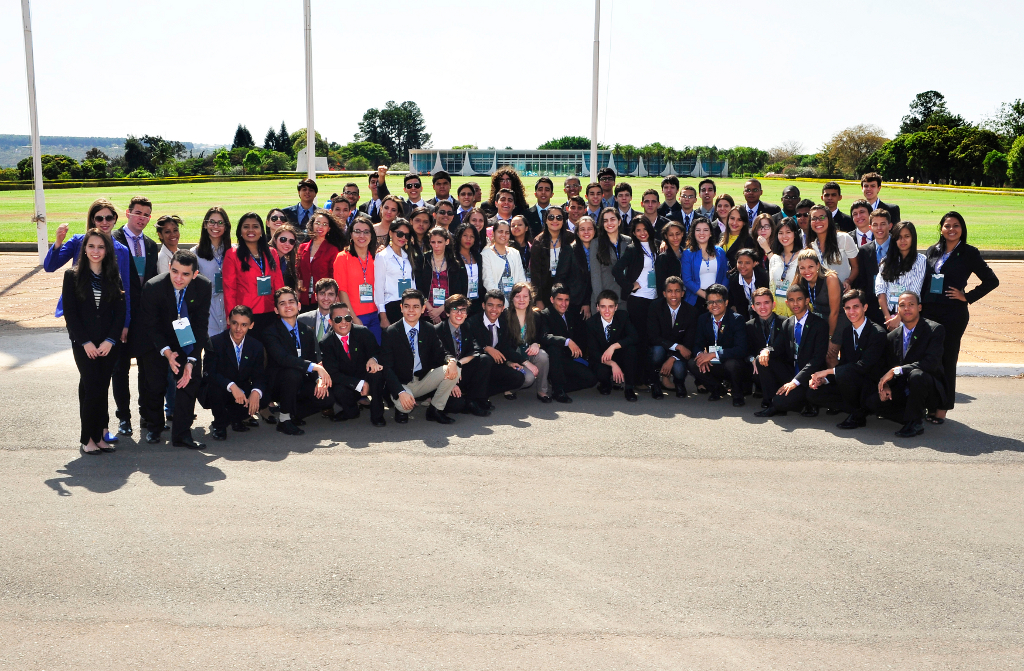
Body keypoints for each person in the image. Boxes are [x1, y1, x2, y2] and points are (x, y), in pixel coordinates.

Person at [45, 200, 133, 442]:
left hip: (108, 326)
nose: (104, 222)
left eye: (108, 218)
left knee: (99, 380)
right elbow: (50, 266)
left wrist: (124, 324)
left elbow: (124, 292)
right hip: (81, 323)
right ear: (92, 220)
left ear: (115, 220)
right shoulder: (78, 242)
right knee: (91, 381)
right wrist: (58, 242)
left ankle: (101, 431)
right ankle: (92, 435)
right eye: (99, 218)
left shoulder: (121, 251)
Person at [921, 211, 1000, 423]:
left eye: (956, 226)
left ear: (962, 229)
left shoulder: (969, 253)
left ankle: (942, 409)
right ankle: (929, 403)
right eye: (947, 226)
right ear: (941, 228)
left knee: (947, 360)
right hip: (929, 312)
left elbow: (992, 281)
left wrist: (967, 296)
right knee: (929, 359)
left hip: (952, 314)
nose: (951, 229)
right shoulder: (932, 250)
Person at [140, 249, 212, 448]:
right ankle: (154, 428)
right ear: (169, 267)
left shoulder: (203, 286)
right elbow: (150, 325)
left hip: (185, 340)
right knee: (154, 385)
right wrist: (167, 352)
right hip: (156, 341)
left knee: (189, 382)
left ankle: (181, 434)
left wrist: (191, 360)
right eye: (175, 271)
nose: (178, 278)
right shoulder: (153, 287)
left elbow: (200, 325)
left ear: (195, 274)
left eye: (185, 274)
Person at [62, 229, 126, 455]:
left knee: (102, 388)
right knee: (92, 389)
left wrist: (110, 340)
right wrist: (85, 342)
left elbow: (120, 313)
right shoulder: (73, 276)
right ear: (85, 249)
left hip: (108, 344)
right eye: (91, 247)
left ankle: (99, 436)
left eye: (100, 247)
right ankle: (87, 438)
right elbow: (70, 313)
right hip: (84, 344)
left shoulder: (113, 275)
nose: (96, 251)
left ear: (107, 250)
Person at [864, 291, 946, 438]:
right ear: (898, 310)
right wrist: (886, 385)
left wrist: (898, 370)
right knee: (872, 403)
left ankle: (914, 423)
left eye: (911, 304)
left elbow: (931, 363)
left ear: (919, 307)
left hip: (928, 387)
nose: (906, 308)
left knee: (917, 375)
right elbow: (884, 365)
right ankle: (912, 415)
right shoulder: (891, 336)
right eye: (902, 305)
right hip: (903, 388)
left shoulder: (934, 330)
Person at [111, 196, 159, 438]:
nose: (142, 218)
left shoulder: (151, 245)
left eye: (146, 214)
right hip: (119, 316)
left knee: (146, 371)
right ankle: (123, 418)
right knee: (120, 370)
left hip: (144, 319)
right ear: (128, 213)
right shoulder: (113, 240)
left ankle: (145, 415)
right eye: (138, 213)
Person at [806, 290, 887, 429]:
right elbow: (844, 364)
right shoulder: (847, 332)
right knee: (813, 394)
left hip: (871, 384)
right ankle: (858, 408)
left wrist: (827, 372)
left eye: (856, 306)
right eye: (848, 308)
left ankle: (858, 414)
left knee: (843, 374)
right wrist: (824, 380)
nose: (852, 311)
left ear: (865, 307)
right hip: (851, 382)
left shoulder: (877, 333)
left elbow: (863, 366)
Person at [379, 288, 461, 424]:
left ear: (423, 309)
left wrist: (451, 360)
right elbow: (387, 368)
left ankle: (435, 409)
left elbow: (441, 353)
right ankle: (401, 406)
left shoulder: (428, 328)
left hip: (422, 380)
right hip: (402, 383)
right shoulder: (390, 332)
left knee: (455, 368)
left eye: (416, 307)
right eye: (407, 306)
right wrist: (400, 392)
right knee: (405, 408)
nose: (411, 310)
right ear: (401, 308)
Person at [261, 287, 333, 436]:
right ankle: (284, 420)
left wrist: (319, 380)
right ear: (276, 309)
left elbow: (313, 358)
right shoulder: (270, 332)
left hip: (301, 380)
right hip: (278, 383)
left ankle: (295, 413)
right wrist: (316, 368)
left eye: (291, 302)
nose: (288, 306)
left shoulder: (306, 330)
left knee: (327, 397)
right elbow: (283, 359)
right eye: (282, 303)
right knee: (292, 373)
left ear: (299, 306)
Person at [753, 284, 828, 418]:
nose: (795, 303)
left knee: (782, 402)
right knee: (762, 359)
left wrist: (795, 382)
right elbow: (777, 347)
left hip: (810, 377)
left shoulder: (819, 324)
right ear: (787, 303)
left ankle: (807, 402)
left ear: (807, 300)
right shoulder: (787, 323)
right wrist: (766, 350)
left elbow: (817, 360)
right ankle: (771, 402)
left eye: (799, 299)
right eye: (791, 300)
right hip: (791, 371)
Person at [199, 305, 265, 440]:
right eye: (235, 323)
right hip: (219, 387)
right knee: (216, 388)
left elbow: (259, 374)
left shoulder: (256, 346)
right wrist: (231, 386)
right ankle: (219, 425)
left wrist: (256, 392)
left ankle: (237, 419)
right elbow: (209, 372)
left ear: (251, 325)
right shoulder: (215, 342)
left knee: (263, 394)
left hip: (241, 386)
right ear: (228, 321)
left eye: (244, 325)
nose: (238, 329)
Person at [319, 301, 387, 427]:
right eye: (338, 319)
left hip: (367, 376)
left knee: (376, 374)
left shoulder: (363, 332)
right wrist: (359, 384)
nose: (344, 322)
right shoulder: (326, 342)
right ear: (330, 322)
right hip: (347, 382)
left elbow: (379, 352)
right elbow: (333, 374)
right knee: (338, 390)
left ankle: (377, 415)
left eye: (347, 318)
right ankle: (351, 412)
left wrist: (373, 359)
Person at [612, 217, 660, 387]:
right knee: (640, 340)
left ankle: (650, 377)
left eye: (645, 229)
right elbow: (616, 269)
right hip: (638, 300)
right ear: (633, 233)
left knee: (651, 340)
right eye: (638, 230)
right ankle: (638, 379)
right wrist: (629, 286)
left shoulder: (658, 245)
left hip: (655, 300)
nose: (642, 233)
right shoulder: (633, 249)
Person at [223, 212, 286, 339]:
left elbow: (279, 285)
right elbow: (229, 290)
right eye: (246, 226)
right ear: (240, 231)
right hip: (245, 315)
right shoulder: (232, 254)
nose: (251, 230)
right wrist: (233, 319)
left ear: (262, 231)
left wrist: (282, 310)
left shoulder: (272, 253)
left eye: (255, 226)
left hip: (270, 312)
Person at [686, 283, 748, 406]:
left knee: (733, 364)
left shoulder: (737, 319)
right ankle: (717, 389)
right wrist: (701, 355)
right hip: (712, 362)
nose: (714, 305)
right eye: (710, 302)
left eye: (718, 301)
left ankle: (737, 394)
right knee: (693, 362)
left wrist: (713, 354)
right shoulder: (703, 319)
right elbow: (697, 343)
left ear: (726, 302)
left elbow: (741, 349)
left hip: (729, 361)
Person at [537, 283, 598, 403]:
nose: (563, 304)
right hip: (552, 360)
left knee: (591, 379)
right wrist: (566, 341)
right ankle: (558, 390)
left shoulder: (570, 315)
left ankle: (560, 385)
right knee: (554, 349)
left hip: (568, 359)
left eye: (566, 300)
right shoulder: (544, 314)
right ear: (552, 299)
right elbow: (544, 337)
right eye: (560, 300)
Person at [433, 294, 492, 417]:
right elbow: (436, 360)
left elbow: (474, 350)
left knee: (484, 359)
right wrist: (452, 382)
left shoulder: (466, 327)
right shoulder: (437, 330)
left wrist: (458, 364)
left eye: (463, 310)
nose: (459, 313)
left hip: (459, 370)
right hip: (443, 375)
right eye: (455, 309)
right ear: (448, 313)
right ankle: (464, 402)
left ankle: (474, 400)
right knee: (456, 405)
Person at [468, 289, 531, 401]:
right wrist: (486, 348)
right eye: (490, 305)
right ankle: (479, 398)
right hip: (476, 365)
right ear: (483, 305)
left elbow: (506, 347)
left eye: (498, 306)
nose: (494, 309)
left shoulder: (504, 323)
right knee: (486, 359)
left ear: (503, 308)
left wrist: (509, 362)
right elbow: (470, 345)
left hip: (495, 365)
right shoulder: (472, 322)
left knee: (518, 377)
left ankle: (481, 392)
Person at [647, 276, 697, 399]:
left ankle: (679, 383)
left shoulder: (691, 312)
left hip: (680, 352)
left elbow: (690, 342)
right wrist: (677, 346)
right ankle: (655, 383)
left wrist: (672, 359)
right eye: (669, 291)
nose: (673, 295)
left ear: (683, 293)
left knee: (679, 368)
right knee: (657, 352)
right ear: (664, 293)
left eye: (677, 291)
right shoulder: (655, 307)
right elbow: (653, 337)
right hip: (661, 346)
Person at [333, 215, 381, 342]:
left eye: (366, 232)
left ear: (371, 235)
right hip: (355, 315)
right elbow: (342, 291)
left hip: (376, 315)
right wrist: (353, 318)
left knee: (376, 354)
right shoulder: (342, 257)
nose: (362, 236)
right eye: (357, 232)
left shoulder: (377, 257)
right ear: (351, 234)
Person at [796, 248, 845, 369]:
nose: (806, 271)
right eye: (802, 268)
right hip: (820, 319)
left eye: (810, 266)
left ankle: (838, 385)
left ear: (818, 265)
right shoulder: (802, 278)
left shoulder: (830, 278)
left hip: (839, 319)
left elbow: (834, 312)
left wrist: (829, 338)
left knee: (829, 356)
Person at [586, 290, 639, 401]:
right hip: (601, 358)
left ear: (616, 307)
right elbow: (593, 352)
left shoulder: (623, 316)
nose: (607, 311)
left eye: (610, 307)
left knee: (631, 350)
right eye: (603, 306)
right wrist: (612, 364)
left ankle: (629, 388)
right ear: (597, 307)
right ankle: (605, 383)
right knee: (602, 372)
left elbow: (634, 337)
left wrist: (614, 346)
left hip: (618, 354)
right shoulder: (591, 323)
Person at [875, 221, 927, 332]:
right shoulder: (886, 261)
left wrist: (899, 317)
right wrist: (887, 317)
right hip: (887, 316)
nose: (902, 241)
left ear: (913, 238)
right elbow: (880, 289)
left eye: (906, 236)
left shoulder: (920, 260)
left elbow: (915, 291)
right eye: (898, 237)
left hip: (909, 316)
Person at [508, 283, 551, 401]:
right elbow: (505, 347)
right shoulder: (505, 317)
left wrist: (536, 343)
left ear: (530, 298)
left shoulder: (536, 315)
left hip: (527, 354)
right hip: (512, 359)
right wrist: (526, 363)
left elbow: (542, 335)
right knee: (528, 379)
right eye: (517, 296)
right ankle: (509, 389)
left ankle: (542, 390)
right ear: (512, 298)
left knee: (542, 355)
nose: (521, 300)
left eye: (525, 296)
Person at [297, 210, 346, 311]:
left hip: (324, 300)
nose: (320, 227)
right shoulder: (302, 247)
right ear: (312, 225)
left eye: (324, 224)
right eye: (317, 223)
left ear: (329, 229)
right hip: (304, 299)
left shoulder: (332, 250)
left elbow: (334, 276)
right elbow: (298, 274)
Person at [416, 227, 467, 325]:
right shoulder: (422, 260)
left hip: (449, 311)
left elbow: (459, 290)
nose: (436, 246)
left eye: (439, 242)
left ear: (447, 242)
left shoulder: (455, 262)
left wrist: (441, 309)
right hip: (426, 311)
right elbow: (418, 286)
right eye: (433, 242)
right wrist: (431, 310)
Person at [854, 208, 894, 325]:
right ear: (870, 227)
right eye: (875, 225)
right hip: (871, 307)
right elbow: (861, 280)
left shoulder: (898, 248)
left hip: (894, 306)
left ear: (890, 226)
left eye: (883, 224)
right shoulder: (864, 251)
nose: (879, 228)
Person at [194, 207, 230, 337]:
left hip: (229, 307)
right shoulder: (195, 254)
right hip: (208, 310)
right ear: (205, 224)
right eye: (212, 222)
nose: (216, 226)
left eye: (220, 223)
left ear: (226, 226)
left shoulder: (233, 252)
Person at [374, 218, 416, 327]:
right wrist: (383, 316)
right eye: (400, 234)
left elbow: (413, 283)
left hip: (408, 307)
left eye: (406, 235)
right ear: (391, 233)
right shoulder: (382, 256)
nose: (403, 238)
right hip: (391, 307)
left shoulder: (408, 256)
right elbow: (378, 288)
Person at [530, 205, 574, 308]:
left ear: (563, 220)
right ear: (545, 220)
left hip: (567, 287)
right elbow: (535, 273)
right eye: (551, 217)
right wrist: (538, 299)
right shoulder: (538, 241)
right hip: (545, 288)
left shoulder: (570, 238)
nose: (555, 220)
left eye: (559, 217)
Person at [681, 218, 729, 312]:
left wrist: (718, 296)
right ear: (693, 233)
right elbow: (687, 280)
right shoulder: (687, 254)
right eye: (698, 230)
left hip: (718, 299)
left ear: (710, 233)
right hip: (695, 301)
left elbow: (725, 276)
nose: (701, 233)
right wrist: (707, 296)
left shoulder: (720, 252)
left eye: (705, 230)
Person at [745, 288, 784, 405]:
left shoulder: (785, 323)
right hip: (759, 366)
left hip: (780, 365)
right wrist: (752, 359)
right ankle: (766, 396)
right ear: (753, 307)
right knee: (753, 363)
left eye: (766, 302)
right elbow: (745, 350)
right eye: (758, 304)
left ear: (773, 304)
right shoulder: (749, 326)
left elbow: (785, 348)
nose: (763, 307)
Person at [806, 205, 859, 289]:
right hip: (821, 293)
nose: (818, 221)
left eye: (822, 217)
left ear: (829, 219)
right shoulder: (811, 246)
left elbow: (856, 267)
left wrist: (848, 281)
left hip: (843, 291)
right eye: (814, 218)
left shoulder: (844, 238)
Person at [590, 207, 632, 312]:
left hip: (624, 299)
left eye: (612, 219)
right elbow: (595, 275)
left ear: (619, 221)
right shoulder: (596, 243)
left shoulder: (628, 241)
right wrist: (600, 301)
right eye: (605, 221)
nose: (609, 223)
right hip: (604, 298)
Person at [481, 219, 526, 305]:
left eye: (507, 232)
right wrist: (502, 303)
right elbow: (488, 282)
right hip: (496, 302)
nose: (503, 235)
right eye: (500, 232)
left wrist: (517, 300)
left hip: (515, 302)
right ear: (493, 234)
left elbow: (521, 279)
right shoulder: (486, 254)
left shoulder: (515, 253)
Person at [764, 217, 801, 319]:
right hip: (777, 311)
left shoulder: (803, 256)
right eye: (780, 233)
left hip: (797, 310)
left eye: (788, 232)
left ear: (795, 234)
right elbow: (772, 286)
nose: (784, 236)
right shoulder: (774, 258)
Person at [727, 248, 769, 320]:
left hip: (763, 310)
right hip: (743, 312)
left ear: (755, 263)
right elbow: (738, 303)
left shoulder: (763, 276)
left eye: (747, 263)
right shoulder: (733, 279)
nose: (743, 266)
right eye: (740, 262)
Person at [453, 221, 484, 315]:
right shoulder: (453, 257)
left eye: (472, 236)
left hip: (477, 302)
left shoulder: (478, 256)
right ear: (459, 237)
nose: (468, 239)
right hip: (459, 304)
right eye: (465, 235)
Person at [569, 215, 596, 325]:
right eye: (582, 229)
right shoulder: (570, 250)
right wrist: (585, 302)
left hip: (596, 299)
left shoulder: (600, 249)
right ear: (577, 232)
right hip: (576, 302)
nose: (586, 232)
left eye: (589, 229)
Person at [654, 220, 686, 294]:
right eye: (671, 235)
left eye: (677, 234)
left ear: (682, 234)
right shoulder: (663, 258)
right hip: (670, 297)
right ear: (666, 236)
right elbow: (660, 284)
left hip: (687, 297)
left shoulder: (686, 253)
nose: (675, 238)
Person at [271, 224, 299, 290]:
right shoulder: (266, 258)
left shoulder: (288, 264)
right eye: (283, 239)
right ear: (275, 240)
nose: (287, 244)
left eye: (291, 241)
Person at [509, 215, 533, 281]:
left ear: (526, 228)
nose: (516, 227)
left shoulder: (532, 247)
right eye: (513, 226)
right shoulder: (507, 248)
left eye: (519, 224)